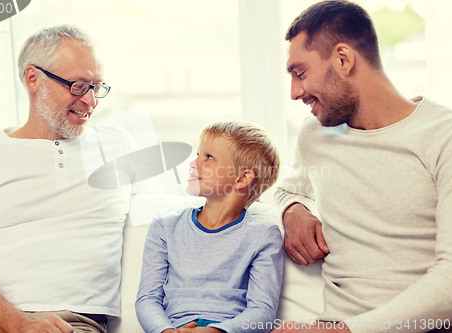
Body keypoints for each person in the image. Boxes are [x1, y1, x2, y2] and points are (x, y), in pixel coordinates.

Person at [0, 25, 147, 333]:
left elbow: (172, 224)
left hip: (71, 324)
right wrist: (19, 325)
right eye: (79, 86)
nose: (92, 101)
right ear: (33, 79)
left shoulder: (118, 144)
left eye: (97, 87)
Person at [272, 1, 452, 332]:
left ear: (343, 59)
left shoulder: (444, 136)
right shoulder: (315, 135)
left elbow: (449, 283)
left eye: (300, 73)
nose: (295, 92)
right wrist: (292, 209)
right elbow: (285, 188)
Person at [135, 120, 284, 333]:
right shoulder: (166, 225)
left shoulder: (263, 234)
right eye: (197, 154)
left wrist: (217, 331)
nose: (193, 163)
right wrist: (165, 331)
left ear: (242, 178)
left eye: (209, 157)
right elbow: (147, 299)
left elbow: (263, 311)